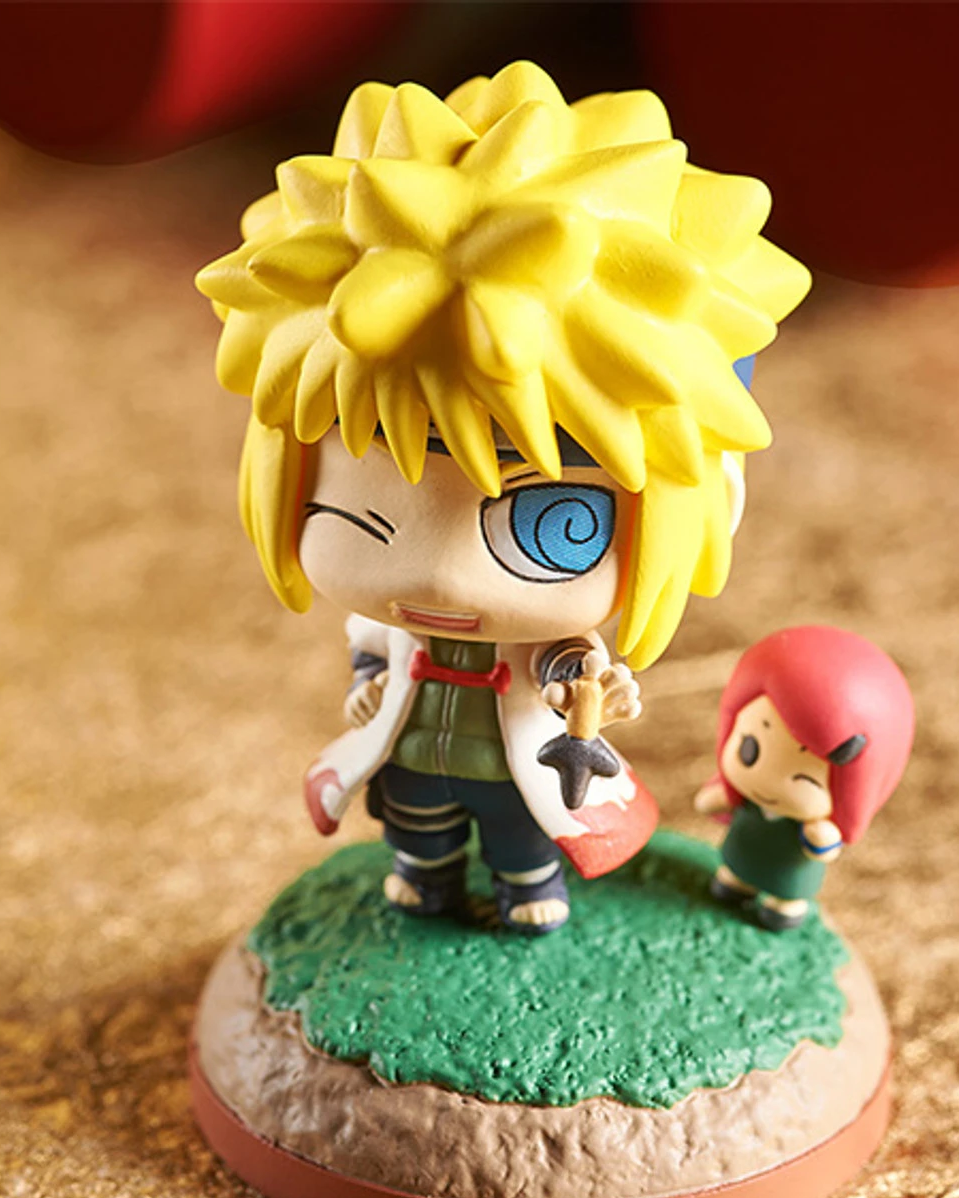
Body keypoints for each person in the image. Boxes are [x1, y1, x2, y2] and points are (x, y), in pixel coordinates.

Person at [196, 61, 810, 932]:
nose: (445, 577)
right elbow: (373, 650)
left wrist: (590, 690)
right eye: (368, 517)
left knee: (520, 834)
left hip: (519, 762)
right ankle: (427, 877)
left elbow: (574, 675)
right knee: (415, 821)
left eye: (552, 525)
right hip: (412, 750)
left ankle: (527, 887)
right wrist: (371, 679)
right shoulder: (392, 624)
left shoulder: (554, 644)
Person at [696, 627, 915, 930]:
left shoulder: (812, 825)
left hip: (790, 871)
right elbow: (708, 803)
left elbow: (825, 848)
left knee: (784, 900)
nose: (770, 783)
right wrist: (718, 798)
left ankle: (784, 905)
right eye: (749, 750)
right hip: (743, 849)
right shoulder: (749, 800)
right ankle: (737, 882)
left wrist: (822, 839)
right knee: (733, 877)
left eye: (802, 778)